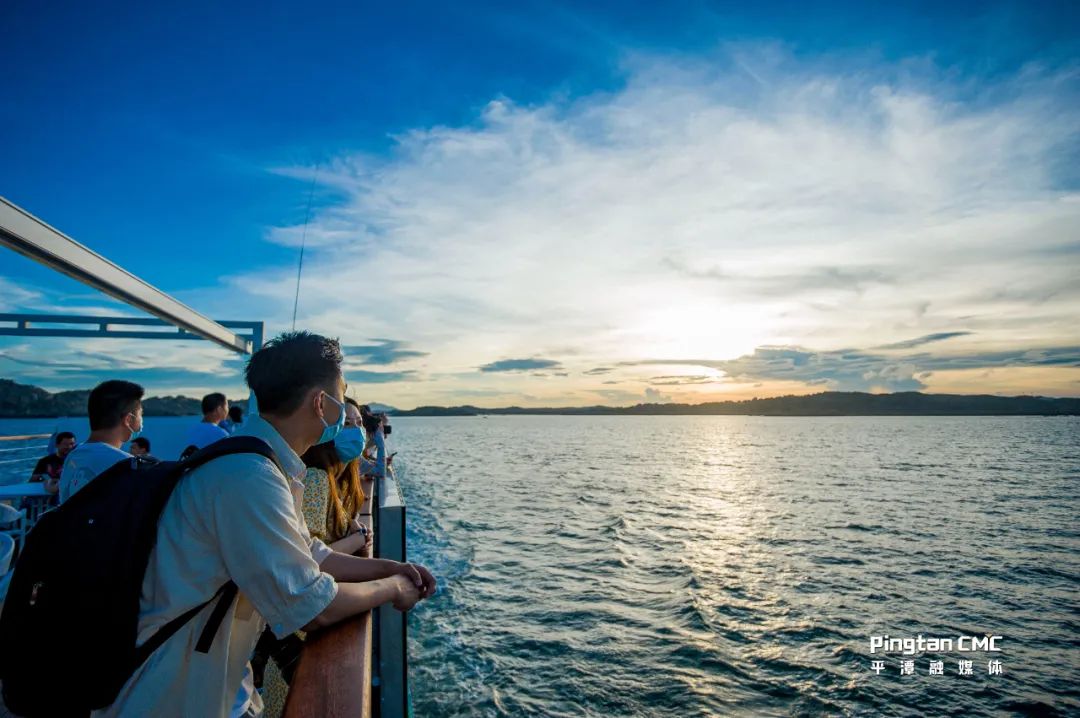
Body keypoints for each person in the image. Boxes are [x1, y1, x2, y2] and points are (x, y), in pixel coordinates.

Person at [98, 331, 436, 718]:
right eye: (341, 396)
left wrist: (390, 566)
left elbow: (313, 555)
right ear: (320, 403)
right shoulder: (248, 476)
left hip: (221, 688)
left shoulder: (261, 465)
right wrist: (392, 588)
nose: (344, 411)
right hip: (170, 696)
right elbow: (313, 606)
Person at [260, 399, 371, 716]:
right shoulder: (315, 479)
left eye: (358, 422)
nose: (356, 431)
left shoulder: (334, 477)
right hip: (302, 631)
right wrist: (358, 540)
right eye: (347, 423)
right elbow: (310, 559)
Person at [58, 381, 142, 504]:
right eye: (140, 415)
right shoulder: (127, 464)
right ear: (128, 419)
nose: (141, 421)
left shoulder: (74, 455)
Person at [29, 431, 76, 497]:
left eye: (72, 444)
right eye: (65, 444)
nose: (69, 447)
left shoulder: (77, 461)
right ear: (57, 445)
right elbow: (32, 481)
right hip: (48, 495)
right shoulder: (45, 461)